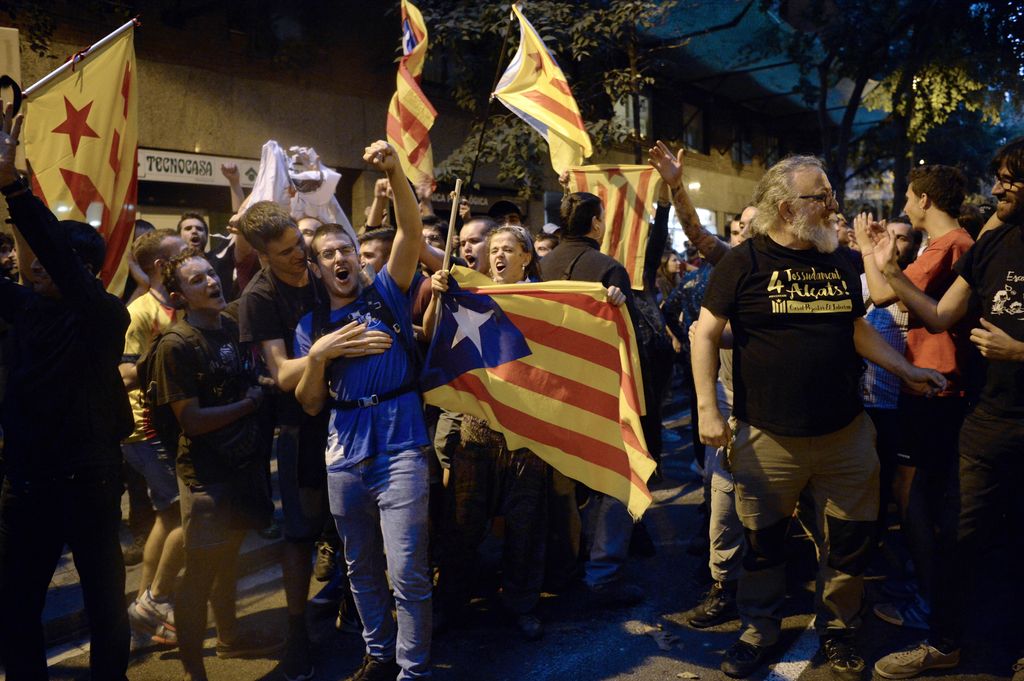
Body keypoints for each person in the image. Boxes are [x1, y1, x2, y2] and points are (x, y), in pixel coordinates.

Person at [691, 154, 945, 679]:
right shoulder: (745, 262)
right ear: (786, 207)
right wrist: (707, 410)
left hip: (846, 434)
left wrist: (904, 369)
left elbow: (858, 328)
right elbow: (705, 333)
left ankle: (837, 630)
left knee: (850, 543)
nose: (834, 205)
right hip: (767, 436)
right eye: (821, 196)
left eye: (831, 194)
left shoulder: (839, 261)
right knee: (763, 544)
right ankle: (758, 628)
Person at [869, 139, 1024, 681]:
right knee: (959, 531)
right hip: (985, 417)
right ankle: (943, 641)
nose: (1000, 186)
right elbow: (938, 316)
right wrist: (888, 271)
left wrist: (1021, 351)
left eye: (1012, 178)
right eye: (1000, 176)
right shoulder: (990, 241)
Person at [0, 104, 134, 681]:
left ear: (86, 271)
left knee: (106, 604)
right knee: (15, 606)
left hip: (89, 483)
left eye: (50, 261)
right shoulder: (26, 309)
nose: (33, 267)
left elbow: (54, 250)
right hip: (26, 483)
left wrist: (13, 188)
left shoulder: (103, 315)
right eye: (30, 262)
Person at [295, 140, 433, 681]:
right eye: (327, 254)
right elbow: (309, 403)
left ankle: (413, 670)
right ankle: (378, 655)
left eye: (345, 250)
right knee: (360, 568)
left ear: (356, 255)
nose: (338, 259)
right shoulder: (312, 326)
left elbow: (411, 234)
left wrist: (395, 171)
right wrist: (320, 356)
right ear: (317, 267)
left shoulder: (386, 295)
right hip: (343, 456)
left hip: (401, 447)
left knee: (408, 573)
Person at [855, 165, 975, 632]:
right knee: (912, 495)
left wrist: (870, 250)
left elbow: (884, 294)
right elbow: (894, 294)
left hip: (937, 385)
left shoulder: (952, 246)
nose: (903, 204)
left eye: (907, 195)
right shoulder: (943, 246)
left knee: (917, 497)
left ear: (925, 200)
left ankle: (930, 601)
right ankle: (923, 588)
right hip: (925, 382)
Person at [153, 249, 282, 681]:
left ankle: (228, 638)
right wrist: (248, 405)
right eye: (197, 280)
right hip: (206, 477)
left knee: (228, 559)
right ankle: (194, 672)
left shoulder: (230, 324)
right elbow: (189, 419)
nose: (211, 282)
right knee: (200, 573)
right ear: (179, 296)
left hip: (242, 466)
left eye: (210, 273)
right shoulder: (177, 344)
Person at [427, 226, 551, 641]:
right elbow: (432, 338)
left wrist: (612, 300)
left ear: (526, 257)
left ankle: (521, 604)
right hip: (477, 431)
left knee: (526, 524)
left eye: (508, 249)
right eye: (493, 249)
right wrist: (438, 294)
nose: (498, 256)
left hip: (526, 436)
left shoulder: (549, 301)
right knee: (461, 525)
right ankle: (451, 603)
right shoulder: (469, 295)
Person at [237, 200, 337, 681]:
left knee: (349, 526)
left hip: (348, 418)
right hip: (299, 429)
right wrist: (324, 353)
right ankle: (297, 633)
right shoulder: (260, 296)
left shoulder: (320, 268)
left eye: (299, 243)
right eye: (286, 252)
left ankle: (350, 613)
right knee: (300, 534)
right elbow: (280, 373)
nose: (300, 255)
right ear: (263, 256)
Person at [538, 191, 644, 608]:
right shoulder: (609, 269)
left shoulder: (541, 268)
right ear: (596, 224)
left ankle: (564, 566)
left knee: (562, 486)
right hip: (601, 397)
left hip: (548, 397)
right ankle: (604, 574)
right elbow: (631, 342)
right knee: (616, 482)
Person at [120, 228, 189, 646]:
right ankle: (154, 601)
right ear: (163, 266)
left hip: (167, 426)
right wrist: (163, 353)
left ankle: (146, 609)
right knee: (185, 513)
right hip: (143, 428)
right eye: (184, 253)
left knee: (168, 514)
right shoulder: (140, 311)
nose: (194, 255)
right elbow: (124, 372)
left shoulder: (178, 304)